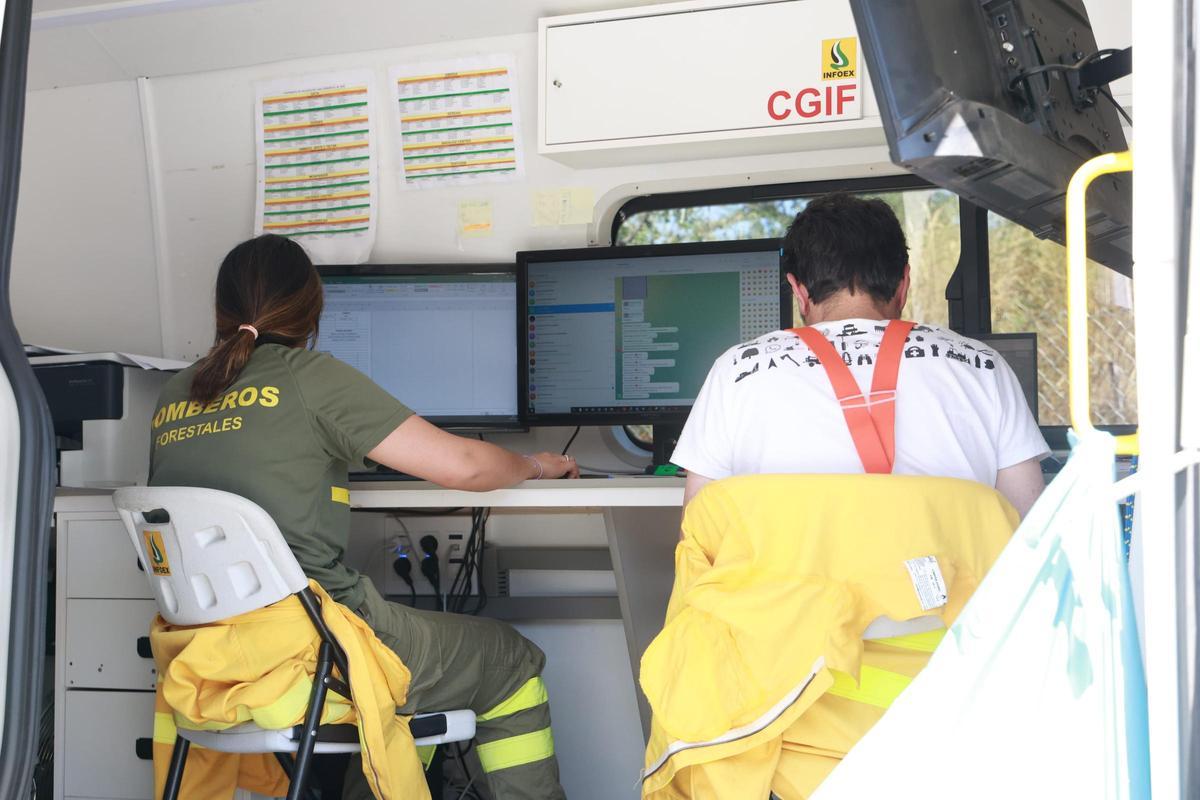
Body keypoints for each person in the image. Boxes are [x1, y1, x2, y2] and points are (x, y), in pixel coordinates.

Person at [147, 234, 575, 800]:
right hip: (315, 652)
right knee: (513, 661)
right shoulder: (307, 376)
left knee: (410, 658)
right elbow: (465, 467)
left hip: (208, 660)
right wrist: (536, 465)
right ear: (313, 309)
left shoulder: (176, 392)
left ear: (220, 312)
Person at [671, 192, 1049, 516]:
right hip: (951, 602)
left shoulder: (733, 371)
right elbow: (1026, 527)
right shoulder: (984, 366)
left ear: (797, 290)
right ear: (904, 282)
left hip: (785, 602)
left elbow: (700, 532)